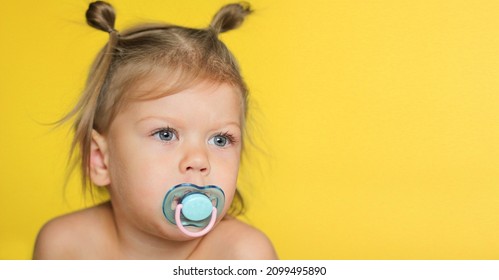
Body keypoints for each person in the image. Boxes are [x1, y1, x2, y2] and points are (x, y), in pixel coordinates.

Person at [33, 1, 277, 259]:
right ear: (101, 159)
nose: (198, 160)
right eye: (166, 134)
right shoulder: (64, 246)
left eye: (220, 139)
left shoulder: (241, 256)